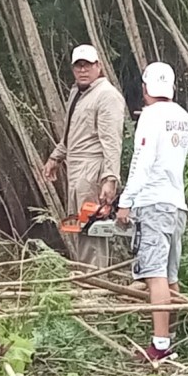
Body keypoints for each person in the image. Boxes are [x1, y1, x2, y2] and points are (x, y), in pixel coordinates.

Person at [116, 62, 188, 361]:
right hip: (176, 203)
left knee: (155, 274)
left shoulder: (150, 117)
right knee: (171, 275)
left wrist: (126, 201)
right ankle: (171, 337)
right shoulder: (182, 116)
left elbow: (142, 162)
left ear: (145, 88)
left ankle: (159, 346)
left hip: (154, 202)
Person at [43, 44, 125, 268]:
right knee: (80, 227)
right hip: (76, 168)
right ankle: (88, 279)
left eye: (87, 65)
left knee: (92, 229)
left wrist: (110, 179)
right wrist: (56, 157)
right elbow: (72, 133)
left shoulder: (107, 96)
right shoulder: (77, 93)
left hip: (93, 169)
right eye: (78, 66)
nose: (83, 70)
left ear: (98, 66)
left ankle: (95, 285)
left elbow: (112, 142)